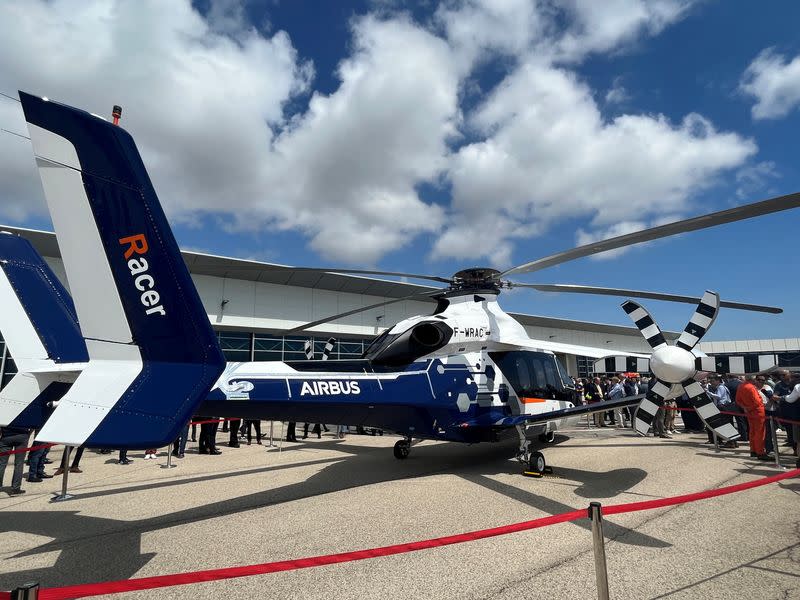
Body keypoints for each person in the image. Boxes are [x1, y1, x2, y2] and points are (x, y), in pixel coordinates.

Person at [736, 375, 771, 460]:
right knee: (760, 432)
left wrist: (745, 408)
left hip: (749, 412)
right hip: (757, 412)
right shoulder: (751, 387)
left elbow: (737, 400)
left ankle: (753, 450)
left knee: (752, 432)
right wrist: (749, 408)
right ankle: (760, 452)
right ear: (753, 379)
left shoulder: (741, 386)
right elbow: (757, 402)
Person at [0, 426, 32, 496]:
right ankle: (15, 488)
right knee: (19, 463)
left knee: (1, 463)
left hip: (6, 436)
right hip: (22, 435)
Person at [773, 370, 796, 448]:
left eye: (784, 374)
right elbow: (774, 397)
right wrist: (785, 398)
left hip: (796, 409)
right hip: (785, 409)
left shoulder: (795, 384)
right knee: (788, 427)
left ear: (789, 374)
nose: (782, 376)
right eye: (780, 375)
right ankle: (791, 443)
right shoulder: (778, 385)